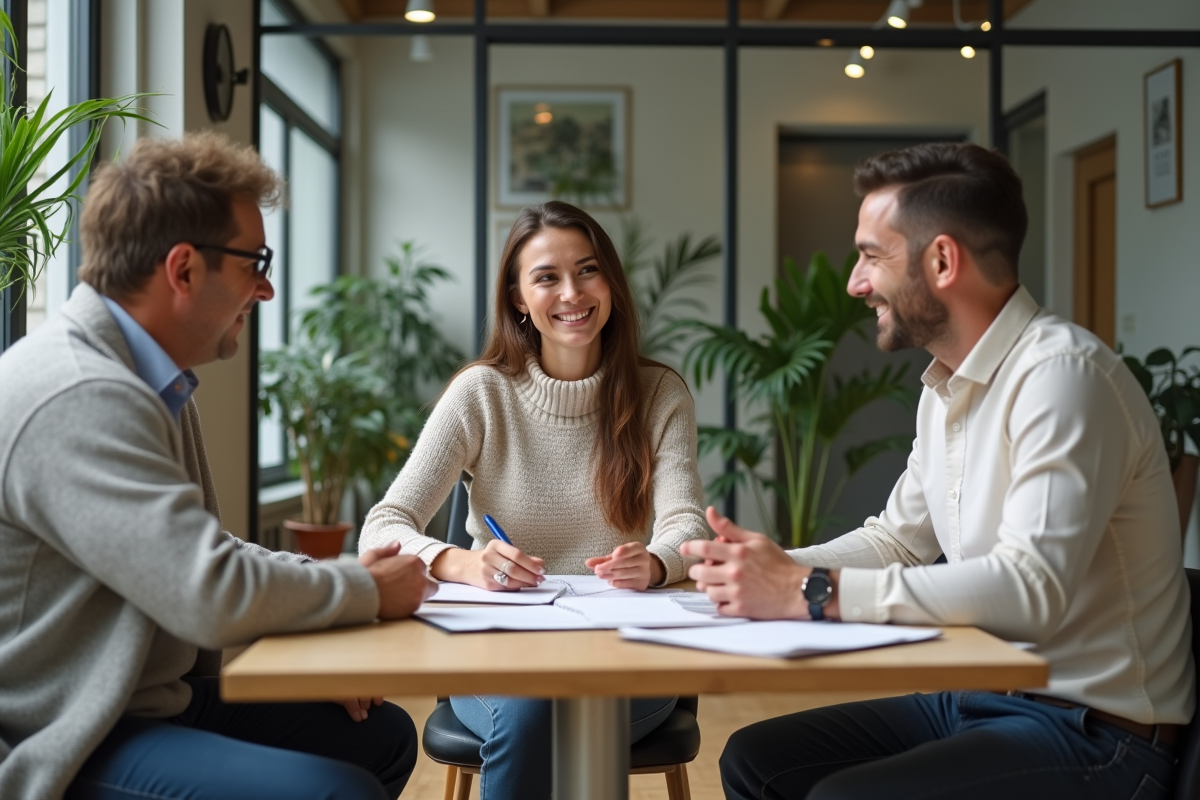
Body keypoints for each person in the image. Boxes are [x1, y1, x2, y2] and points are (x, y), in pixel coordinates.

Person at [682, 142, 1193, 800]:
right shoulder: (946, 386)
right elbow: (897, 539)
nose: (854, 283)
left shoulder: (1063, 376)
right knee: (757, 759)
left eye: (870, 255)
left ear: (943, 260)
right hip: (980, 701)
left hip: (1096, 734)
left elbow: (1031, 592)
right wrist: (763, 569)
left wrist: (810, 590)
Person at [0, 132, 437, 800]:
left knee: (381, 740)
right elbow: (208, 591)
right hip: (64, 733)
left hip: (142, 703)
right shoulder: (79, 393)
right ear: (182, 270)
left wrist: (340, 584)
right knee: (336, 792)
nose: (264, 289)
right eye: (253, 261)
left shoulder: (145, 379)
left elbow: (199, 550)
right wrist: (365, 590)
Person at [359, 200, 709, 800]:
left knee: (581, 712)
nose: (571, 292)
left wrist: (655, 562)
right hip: (498, 655)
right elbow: (381, 527)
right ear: (520, 298)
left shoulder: (659, 394)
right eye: (546, 277)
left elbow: (687, 525)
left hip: (623, 652)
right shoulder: (481, 394)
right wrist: (465, 563)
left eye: (588, 270)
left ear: (612, 284)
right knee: (534, 713)